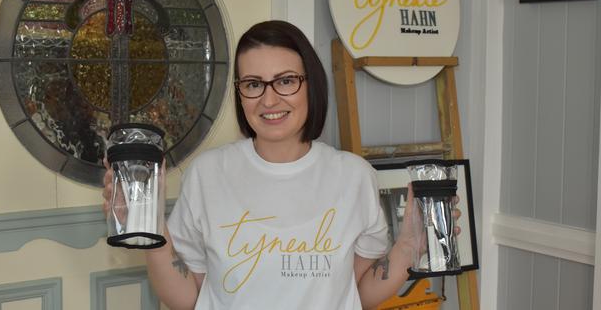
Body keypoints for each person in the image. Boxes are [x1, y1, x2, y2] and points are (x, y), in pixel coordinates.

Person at [103, 20, 454, 309]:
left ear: (310, 84)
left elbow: (357, 294)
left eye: (286, 80)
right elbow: (188, 299)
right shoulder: (208, 175)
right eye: (253, 84)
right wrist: (152, 230)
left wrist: (409, 246)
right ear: (240, 93)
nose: (269, 99)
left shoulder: (353, 177)